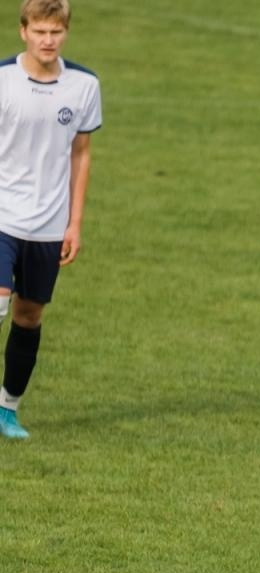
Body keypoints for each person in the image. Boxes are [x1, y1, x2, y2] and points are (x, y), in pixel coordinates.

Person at [0, 0, 101, 441]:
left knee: (28, 315)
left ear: (65, 33)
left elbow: (81, 154)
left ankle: (7, 409)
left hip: (48, 223)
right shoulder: (2, 80)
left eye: (55, 32)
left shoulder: (83, 86)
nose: (48, 40)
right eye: (40, 31)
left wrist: (74, 223)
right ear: (23, 31)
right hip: (3, 216)